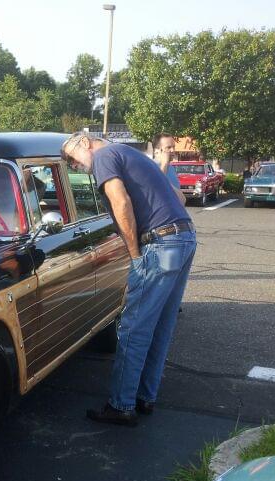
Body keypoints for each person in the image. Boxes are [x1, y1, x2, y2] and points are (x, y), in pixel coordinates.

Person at [61, 132, 197, 426]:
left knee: (134, 327)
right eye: (69, 165)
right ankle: (145, 398)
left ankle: (121, 405)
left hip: (159, 245)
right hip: (183, 237)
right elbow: (179, 197)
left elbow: (120, 202)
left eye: (71, 158)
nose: (73, 165)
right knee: (160, 324)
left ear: (85, 142)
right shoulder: (134, 156)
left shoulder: (104, 156)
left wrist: (135, 254)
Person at [152, 133, 186, 205]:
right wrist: (164, 164)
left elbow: (181, 200)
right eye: (168, 147)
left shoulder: (171, 168)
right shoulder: (149, 167)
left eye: (174, 147)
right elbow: (155, 189)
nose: (172, 150)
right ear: (156, 151)